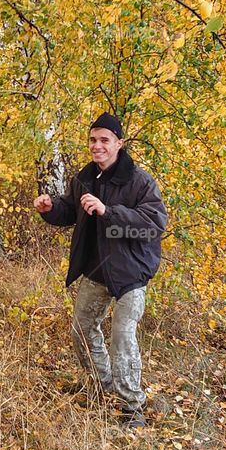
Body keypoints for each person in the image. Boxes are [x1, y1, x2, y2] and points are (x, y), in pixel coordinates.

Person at [33, 112, 167, 429]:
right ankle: (101, 387)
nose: (97, 146)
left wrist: (109, 212)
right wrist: (51, 209)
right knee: (81, 329)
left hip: (130, 274)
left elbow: (153, 225)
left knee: (122, 335)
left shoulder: (140, 182)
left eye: (104, 140)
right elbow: (71, 210)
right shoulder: (84, 178)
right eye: (93, 140)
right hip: (96, 270)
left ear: (119, 143)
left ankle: (132, 408)